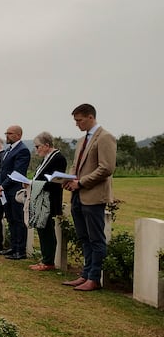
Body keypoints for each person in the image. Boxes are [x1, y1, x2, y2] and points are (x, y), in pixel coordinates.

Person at [62, 104, 117, 291]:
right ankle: (85, 274)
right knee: (83, 237)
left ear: (91, 117)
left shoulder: (105, 137)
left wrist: (82, 182)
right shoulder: (81, 140)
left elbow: (106, 168)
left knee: (96, 239)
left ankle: (94, 278)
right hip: (78, 195)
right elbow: (75, 165)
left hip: (93, 195)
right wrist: (69, 179)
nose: (77, 124)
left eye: (79, 120)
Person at [26, 132, 67, 271]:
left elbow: (55, 181)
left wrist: (34, 183)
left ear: (47, 145)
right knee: (42, 229)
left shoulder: (58, 158)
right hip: (41, 197)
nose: (36, 149)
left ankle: (49, 261)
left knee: (47, 229)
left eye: (38, 146)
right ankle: (45, 258)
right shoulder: (47, 158)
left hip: (49, 198)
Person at [0, 125, 31, 259]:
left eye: (10, 133)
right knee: (11, 219)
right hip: (5, 190)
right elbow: (3, 170)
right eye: (6, 133)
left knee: (18, 220)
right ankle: (13, 247)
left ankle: (20, 250)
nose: (7, 135)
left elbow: (17, 172)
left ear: (18, 135)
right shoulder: (8, 150)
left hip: (15, 190)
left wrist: (2, 186)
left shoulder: (23, 150)